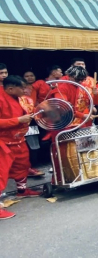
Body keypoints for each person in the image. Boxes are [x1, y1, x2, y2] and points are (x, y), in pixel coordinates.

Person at [0, 75, 42, 220]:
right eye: (22, 88)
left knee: (23, 165)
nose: (26, 90)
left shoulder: (19, 98)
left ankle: (22, 190)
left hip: (18, 139)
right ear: (11, 88)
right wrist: (18, 120)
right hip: (3, 142)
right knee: (1, 173)